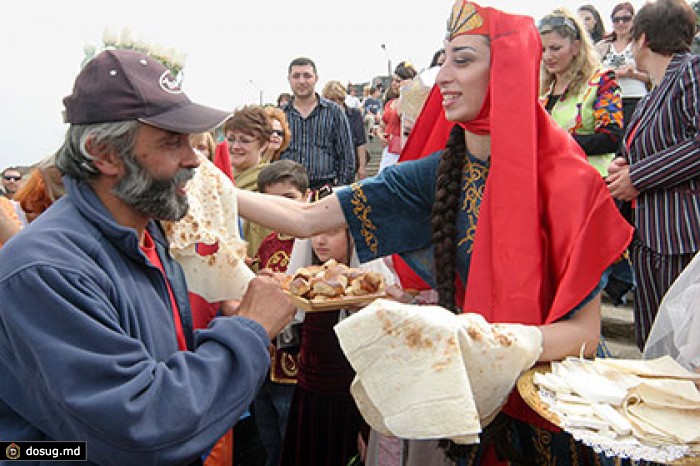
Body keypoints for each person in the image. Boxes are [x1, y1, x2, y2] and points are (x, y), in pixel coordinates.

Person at [236, 1, 632, 464]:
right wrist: (207, 183)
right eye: (443, 59)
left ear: (508, 69)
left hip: (563, 406)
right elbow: (306, 219)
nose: (442, 75)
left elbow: (584, 335)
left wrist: (497, 343)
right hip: (482, 401)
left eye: (462, 60)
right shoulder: (440, 172)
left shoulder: (569, 179)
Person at [0, 49, 295, 465]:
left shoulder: (150, 236)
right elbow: (141, 426)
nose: (193, 159)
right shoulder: (47, 270)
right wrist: (250, 328)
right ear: (103, 153)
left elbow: (162, 365)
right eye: (172, 141)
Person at [606, 0, 700, 351]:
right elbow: (638, 151)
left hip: (684, 236)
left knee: (687, 351)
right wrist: (621, 165)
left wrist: (638, 176)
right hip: (648, 237)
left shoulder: (691, 71)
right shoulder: (649, 97)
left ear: (642, 39)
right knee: (653, 346)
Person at [280, 186, 397, 466]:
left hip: (347, 400)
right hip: (310, 395)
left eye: (331, 232)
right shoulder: (307, 284)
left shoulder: (367, 289)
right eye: (315, 233)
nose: (319, 241)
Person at [252, 160, 310, 466]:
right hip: (265, 358)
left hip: (298, 364)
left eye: (288, 198)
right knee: (269, 439)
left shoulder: (317, 243)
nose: (279, 207)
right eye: (270, 200)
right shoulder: (267, 244)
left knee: (292, 439)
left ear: (308, 197)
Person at [539, 8, 624, 177]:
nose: (548, 56)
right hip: (550, 179)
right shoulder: (542, 89)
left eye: (555, 48)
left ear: (576, 46)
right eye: (543, 49)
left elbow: (611, 138)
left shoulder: (602, 81)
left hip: (590, 182)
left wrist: (556, 142)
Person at [279, 57, 356, 189]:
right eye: (296, 76)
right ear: (289, 79)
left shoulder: (334, 112)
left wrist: (340, 188)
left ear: (316, 78)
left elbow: (346, 156)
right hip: (287, 188)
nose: (301, 81)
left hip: (325, 188)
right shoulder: (281, 116)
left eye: (307, 76)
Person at [225, 105, 274, 259]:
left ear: (264, 145)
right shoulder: (218, 179)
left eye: (245, 141)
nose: (235, 146)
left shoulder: (271, 183)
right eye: (231, 139)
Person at [595, 2, 651, 128]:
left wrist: (633, 74)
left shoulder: (641, 44)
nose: (621, 23)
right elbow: (592, 73)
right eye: (616, 20)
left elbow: (651, 76)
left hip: (636, 98)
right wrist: (614, 74)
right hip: (609, 99)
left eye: (626, 19)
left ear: (633, 20)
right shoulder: (602, 46)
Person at [322, 80, 369, 180]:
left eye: (334, 99)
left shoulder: (354, 114)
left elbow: (361, 142)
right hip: (330, 166)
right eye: (328, 99)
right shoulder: (323, 117)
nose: (331, 103)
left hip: (351, 163)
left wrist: (362, 166)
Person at [377, 61, 417, 172]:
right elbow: (382, 124)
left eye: (398, 81)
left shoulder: (412, 103)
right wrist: (380, 134)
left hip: (403, 151)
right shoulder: (390, 103)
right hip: (389, 150)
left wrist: (407, 91)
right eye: (393, 80)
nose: (394, 84)